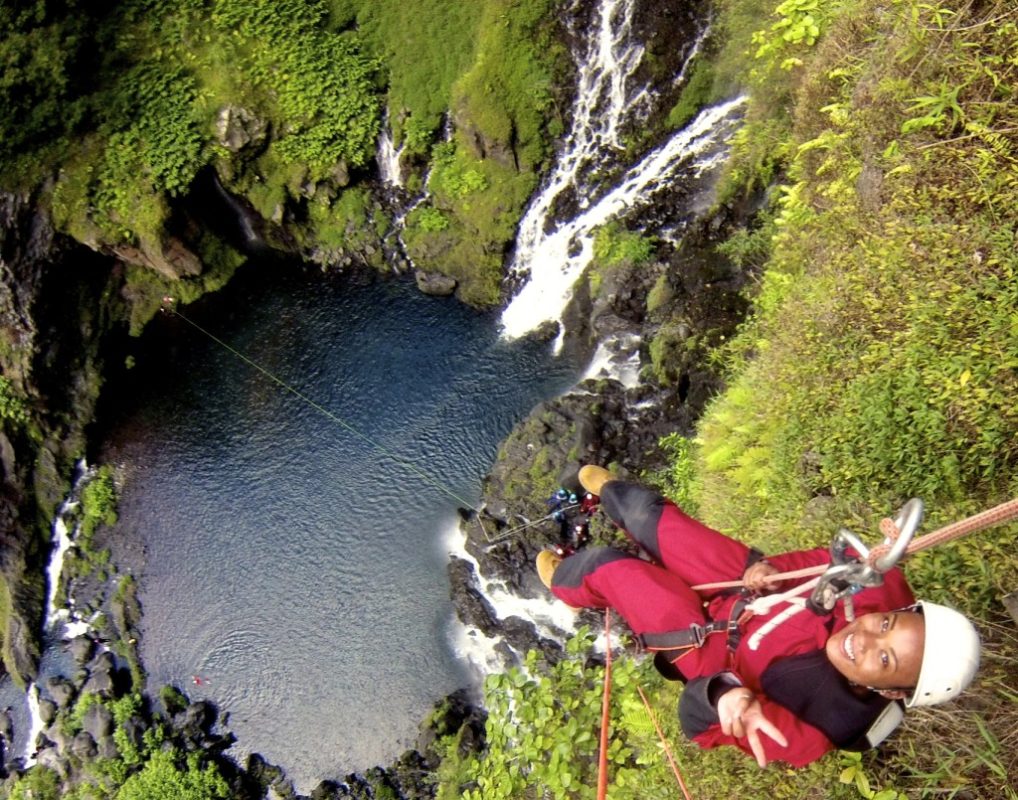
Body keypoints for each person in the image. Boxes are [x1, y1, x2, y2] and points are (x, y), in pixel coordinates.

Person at [536, 466, 981, 768]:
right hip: (745, 588)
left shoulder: (814, 729)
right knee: (650, 516)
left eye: (884, 660)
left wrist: (723, 700)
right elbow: (820, 562)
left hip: (705, 645)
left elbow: (697, 725)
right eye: (887, 626)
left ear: (890, 690)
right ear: (901, 613)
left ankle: (569, 588)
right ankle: (611, 490)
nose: (865, 638)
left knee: (607, 566)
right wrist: (772, 572)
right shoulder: (880, 590)